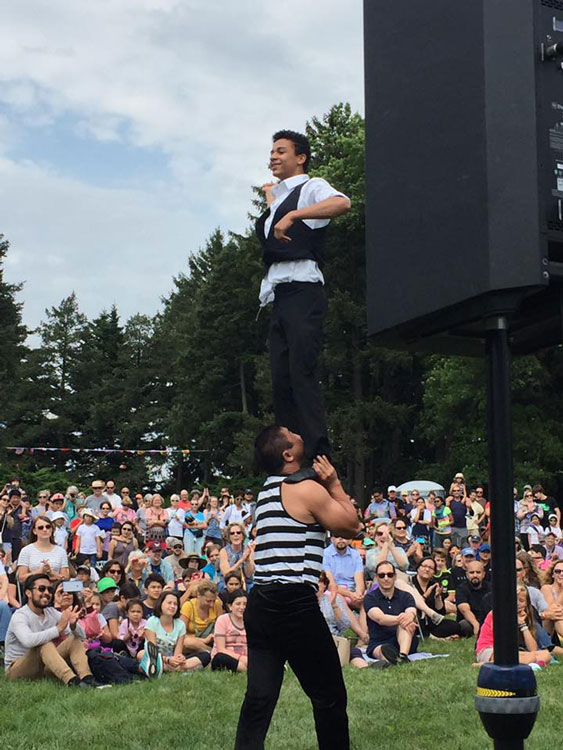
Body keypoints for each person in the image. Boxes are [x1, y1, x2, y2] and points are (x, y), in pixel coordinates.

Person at [235, 425, 361, 750]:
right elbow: (352, 526)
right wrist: (333, 483)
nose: (299, 433)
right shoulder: (305, 489)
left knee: (259, 698)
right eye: (292, 434)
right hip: (292, 602)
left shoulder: (266, 490)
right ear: (288, 454)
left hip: (260, 602)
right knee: (329, 696)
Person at [256, 131, 351, 462]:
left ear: (301, 158)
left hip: (303, 292)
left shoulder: (311, 188)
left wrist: (294, 215)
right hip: (279, 296)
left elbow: (342, 203)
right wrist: (272, 202)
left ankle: (317, 454)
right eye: (271, 151)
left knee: (302, 373)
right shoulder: (279, 199)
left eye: (281, 151)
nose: (273, 156)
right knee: (280, 380)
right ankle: (289, 455)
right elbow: (276, 231)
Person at [5, 573, 96, 686]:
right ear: (28, 593)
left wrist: (73, 625)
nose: (47, 593)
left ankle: (87, 678)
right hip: (17, 669)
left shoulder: (51, 613)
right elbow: (28, 641)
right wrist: (58, 629)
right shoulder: (20, 615)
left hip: (43, 666)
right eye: (41, 589)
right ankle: (72, 681)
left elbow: (82, 637)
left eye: (49, 589)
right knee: (44, 644)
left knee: (73, 640)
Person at [476, 585, 551, 666]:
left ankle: (527, 662)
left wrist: (523, 625)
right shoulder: (497, 612)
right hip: (490, 650)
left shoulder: (524, 616)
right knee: (528, 657)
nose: (517, 604)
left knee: (546, 654)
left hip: (512, 652)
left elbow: (533, 649)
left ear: (526, 603)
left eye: (521, 600)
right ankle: (487, 663)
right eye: (514, 600)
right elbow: (500, 640)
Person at [141, 590, 210, 674]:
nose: (172, 606)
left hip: (173, 660)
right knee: (141, 654)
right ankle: (175, 668)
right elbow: (152, 650)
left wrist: (179, 658)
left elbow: (178, 653)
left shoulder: (180, 625)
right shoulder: (152, 621)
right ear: (161, 604)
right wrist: (167, 660)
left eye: (175, 604)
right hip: (155, 658)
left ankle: (164, 668)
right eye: (169, 603)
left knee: (205, 655)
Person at [364, 561, 418, 666]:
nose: (386, 578)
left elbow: (411, 612)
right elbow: (380, 619)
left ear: (395, 576)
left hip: (405, 640)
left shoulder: (406, 596)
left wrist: (409, 617)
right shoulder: (370, 598)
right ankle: (391, 657)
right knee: (382, 650)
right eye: (382, 575)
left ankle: (403, 656)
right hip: (379, 642)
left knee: (404, 624)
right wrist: (403, 618)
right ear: (377, 578)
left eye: (390, 575)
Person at [317, 571, 368, 669]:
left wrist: (334, 606)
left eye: (320, 581)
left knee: (354, 652)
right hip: (314, 641)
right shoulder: (302, 602)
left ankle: (365, 667)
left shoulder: (334, 598)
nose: (317, 584)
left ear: (324, 584)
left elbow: (344, 626)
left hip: (335, 640)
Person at [17, 515, 70, 584]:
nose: (45, 530)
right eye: (40, 528)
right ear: (34, 531)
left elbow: (66, 578)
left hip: (55, 587)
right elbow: (21, 578)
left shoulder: (61, 551)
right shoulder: (26, 551)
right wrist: (39, 572)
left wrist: (51, 573)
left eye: (48, 527)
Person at [323, 535, 365, 610]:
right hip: (334, 591)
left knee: (367, 601)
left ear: (350, 540)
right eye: (337, 536)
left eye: (344, 535)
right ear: (332, 539)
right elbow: (330, 585)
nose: (341, 538)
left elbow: (360, 582)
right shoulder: (325, 554)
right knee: (337, 600)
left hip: (353, 592)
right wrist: (350, 594)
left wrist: (358, 594)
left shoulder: (355, 555)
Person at [211, 590, 249, 673]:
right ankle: (245, 668)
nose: (242, 607)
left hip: (247, 658)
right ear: (230, 606)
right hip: (227, 657)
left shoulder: (251, 621)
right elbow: (221, 649)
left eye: (245, 604)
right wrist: (241, 658)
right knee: (220, 657)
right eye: (238, 604)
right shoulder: (222, 620)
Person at [180, 579, 222, 654]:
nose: (212, 604)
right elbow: (181, 635)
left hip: (212, 641)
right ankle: (213, 653)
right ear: (199, 595)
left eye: (213, 601)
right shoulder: (188, 606)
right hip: (192, 642)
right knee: (188, 642)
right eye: (208, 601)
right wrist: (204, 640)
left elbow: (222, 627)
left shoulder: (217, 604)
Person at [455, 560, 491, 636]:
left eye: (478, 572)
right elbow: (464, 610)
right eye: (471, 572)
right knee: (464, 625)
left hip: (487, 620)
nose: (475, 575)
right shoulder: (461, 589)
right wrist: (476, 625)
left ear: (483, 574)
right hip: (470, 621)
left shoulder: (491, 588)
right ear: (467, 575)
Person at [219, 523, 254, 591]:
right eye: (232, 533)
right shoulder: (224, 551)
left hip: (245, 583)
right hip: (227, 583)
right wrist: (242, 560)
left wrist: (247, 560)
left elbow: (249, 574)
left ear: (243, 536)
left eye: (238, 532)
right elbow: (226, 574)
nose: (235, 535)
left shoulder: (248, 550)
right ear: (229, 537)